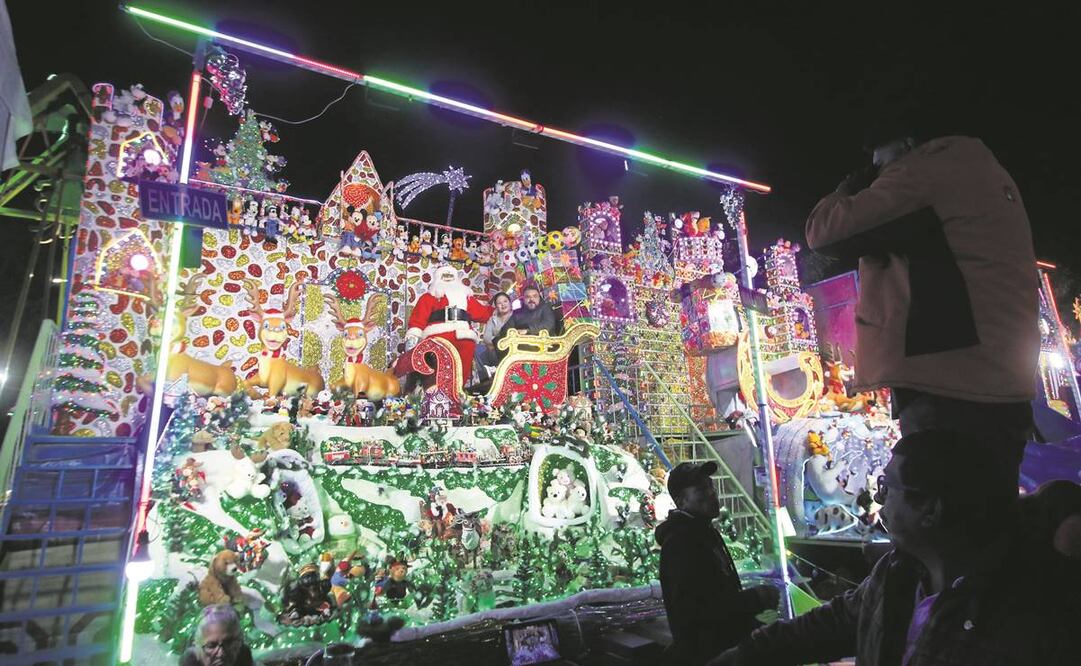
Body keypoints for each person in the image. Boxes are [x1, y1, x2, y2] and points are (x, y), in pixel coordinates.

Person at [710, 430, 1080, 666]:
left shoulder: (1031, 614)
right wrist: (745, 655)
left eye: (888, 488)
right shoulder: (897, 573)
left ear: (930, 511)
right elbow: (834, 622)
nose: (880, 502)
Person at [805, 117, 1040, 486]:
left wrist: (845, 189)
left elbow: (826, 232)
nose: (877, 171)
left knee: (943, 513)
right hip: (996, 375)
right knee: (988, 510)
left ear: (906, 146)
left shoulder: (927, 171)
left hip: (949, 380)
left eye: (879, 161)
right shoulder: (983, 172)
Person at [655, 461, 780, 665]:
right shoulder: (681, 542)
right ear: (681, 501)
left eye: (710, 486)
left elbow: (719, 593)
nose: (712, 493)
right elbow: (694, 612)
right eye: (701, 489)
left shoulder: (704, 532)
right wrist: (754, 598)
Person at [395, 265, 493, 384]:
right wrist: (413, 338)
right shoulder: (429, 297)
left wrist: (501, 308)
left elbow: (483, 313)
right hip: (438, 337)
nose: (447, 279)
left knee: (461, 372)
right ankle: (434, 394)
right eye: (444, 276)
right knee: (436, 370)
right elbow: (418, 319)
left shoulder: (467, 298)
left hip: (464, 337)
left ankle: (457, 394)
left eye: (450, 276)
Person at [493, 284, 559, 355]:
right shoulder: (517, 312)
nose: (531, 299)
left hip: (542, 343)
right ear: (523, 299)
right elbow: (507, 328)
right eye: (528, 297)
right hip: (519, 340)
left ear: (539, 297)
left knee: (516, 345)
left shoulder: (545, 308)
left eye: (535, 296)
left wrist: (527, 331)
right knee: (497, 341)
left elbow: (548, 324)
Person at [180, 604, 254, 666]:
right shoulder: (190, 660)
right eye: (211, 645)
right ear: (197, 647)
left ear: (239, 643)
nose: (221, 653)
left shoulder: (243, 656)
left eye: (228, 643)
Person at [474, 291, 513, 379]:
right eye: (499, 303)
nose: (503, 305)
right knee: (478, 348)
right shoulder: (493, 319)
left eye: (505, 301)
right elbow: (487, 338)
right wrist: (496, 343)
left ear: (510, 302)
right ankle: (486, 379)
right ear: (496, 307)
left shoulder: (516, 316)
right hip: (495, 348)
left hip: (511, 347)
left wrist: (499, 340)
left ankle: (499, 370)